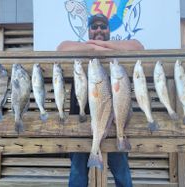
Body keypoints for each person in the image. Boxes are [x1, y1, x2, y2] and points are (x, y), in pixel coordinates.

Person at [57, 14, 144, 187]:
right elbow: (60, 48)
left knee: (122, 174)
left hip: (113, 123)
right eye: (94, 27)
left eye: (103, 27)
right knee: (77, 175)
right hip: (80, 122)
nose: (98, 30)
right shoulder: (76, 47)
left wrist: (98, 45)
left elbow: (138, 46)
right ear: (88, 30)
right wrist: (97, 48)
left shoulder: (116, 48)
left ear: (109, 30)